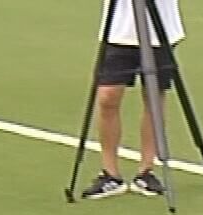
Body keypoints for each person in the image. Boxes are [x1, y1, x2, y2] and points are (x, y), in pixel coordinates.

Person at [78, 0, 185, 199]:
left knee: (153, 95)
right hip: (119, 28)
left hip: (159, 28)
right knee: (107, 96)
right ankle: (110, 173)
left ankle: (146, 170)